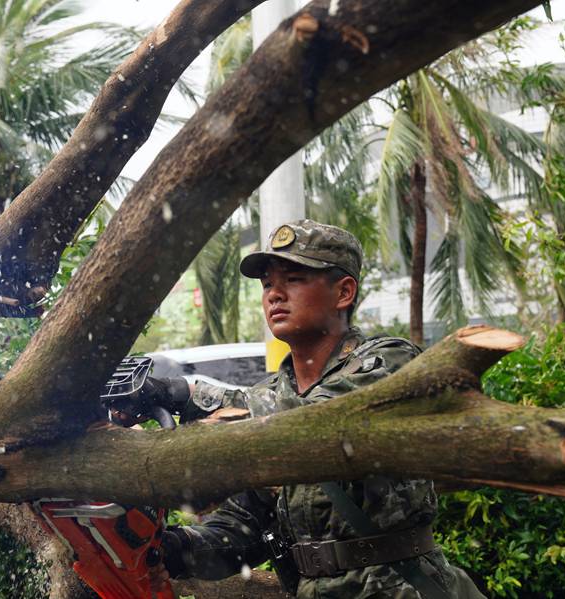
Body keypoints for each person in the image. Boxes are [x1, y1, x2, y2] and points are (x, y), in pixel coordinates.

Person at [137, 220, 485, 598]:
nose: (274, 294)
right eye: (268, 284)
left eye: (295, 279)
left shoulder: (389, 363)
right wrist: (170, 549)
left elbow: (312, 423)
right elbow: (244, 528)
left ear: (343, 292)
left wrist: (185, 394)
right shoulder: (269, 393)